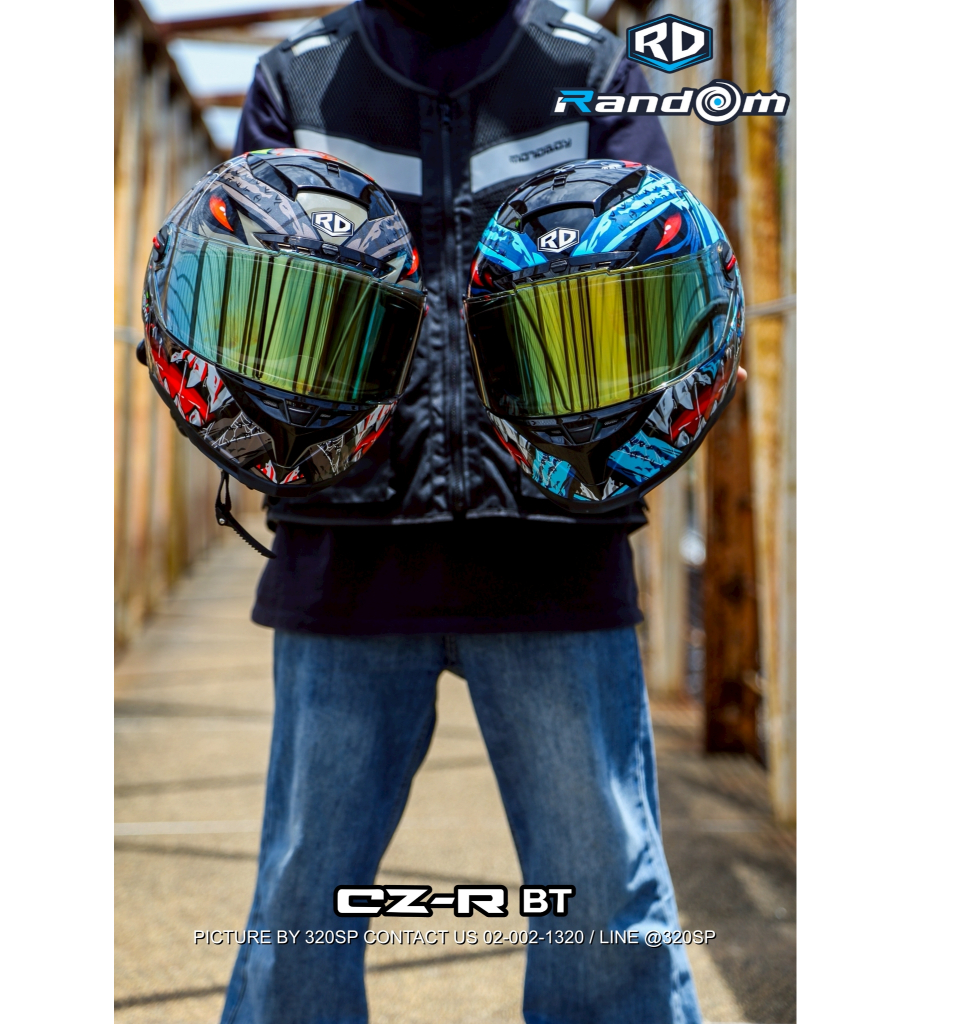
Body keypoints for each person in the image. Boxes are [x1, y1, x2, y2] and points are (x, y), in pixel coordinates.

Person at [221, 2, 703, 1022]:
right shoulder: (297, 80)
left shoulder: (590, 66)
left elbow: (670, 272)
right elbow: (227, 295)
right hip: (347, 554)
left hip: (552, 552)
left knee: (603, 900)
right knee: (302, 900)